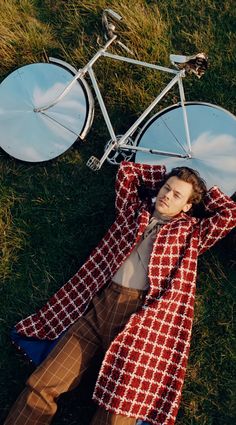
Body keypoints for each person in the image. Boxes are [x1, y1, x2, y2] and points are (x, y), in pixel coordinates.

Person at [4, 161, 236, 425]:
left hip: (142, 324)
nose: (167, 195)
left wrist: (207, 195)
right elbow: (126, 172)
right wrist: (163, 172)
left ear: (187, 207)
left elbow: (229, 215)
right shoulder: (132, 211)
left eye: (177, 195)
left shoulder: (192, 234)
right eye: (166, 188)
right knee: (42, 384)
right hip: (99, 308)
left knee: (117, 412)